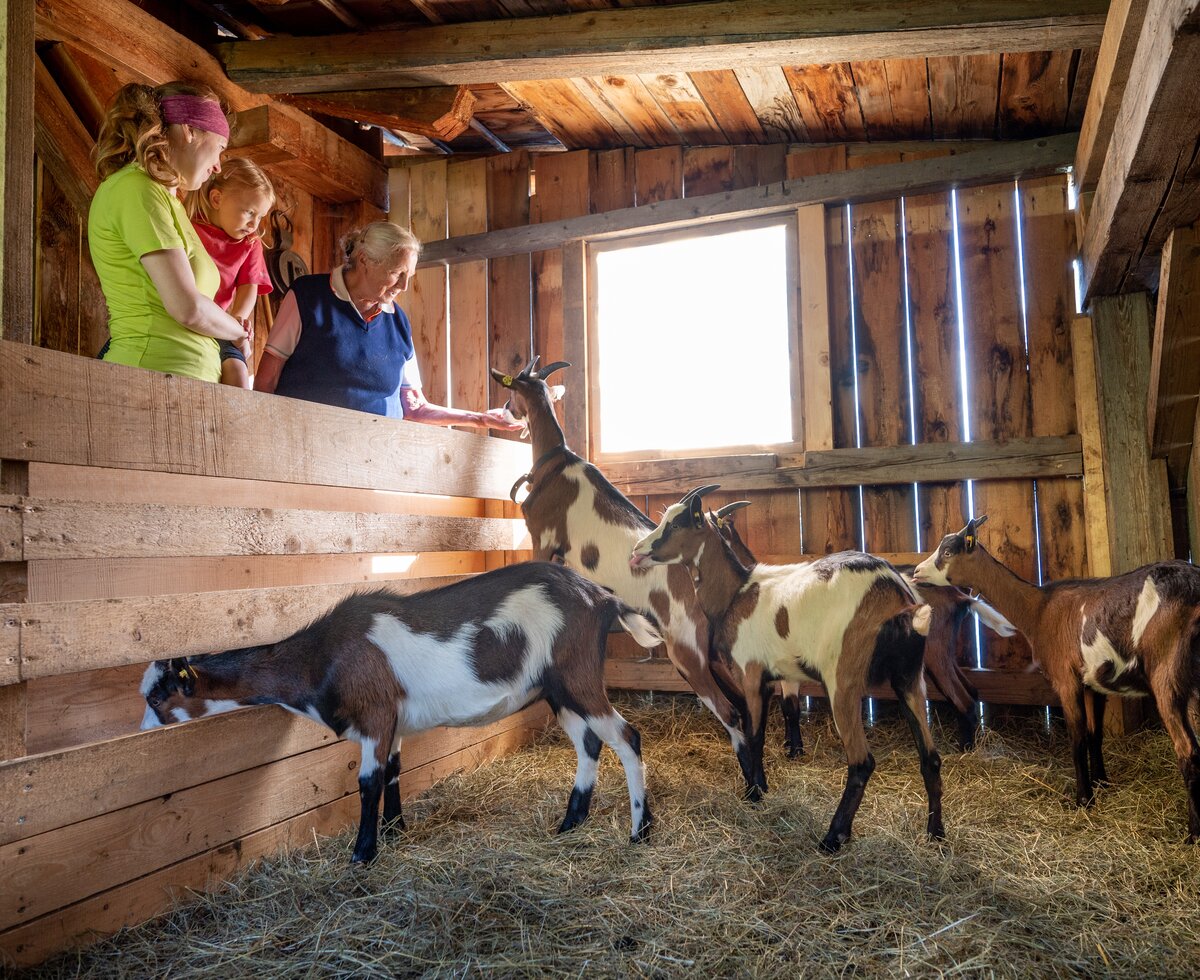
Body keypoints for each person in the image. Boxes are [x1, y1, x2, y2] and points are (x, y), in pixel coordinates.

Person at [254, 221, 522, 430]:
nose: (404, 286)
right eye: (397, 273)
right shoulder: (307, 296)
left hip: (378, 455)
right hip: (307, 447)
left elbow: (414, 408)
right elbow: (266, 381)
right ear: (364, 261)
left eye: (409, 275)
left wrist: (481, 419)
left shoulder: (398, 322)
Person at [89, 81, 247, 383]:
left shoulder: (168, 200)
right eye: (220, 149)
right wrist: (238, 333)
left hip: (180, 383)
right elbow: (187, 307)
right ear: (190, 130)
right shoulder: (136, 189)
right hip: (149, 377)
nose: (217, 167)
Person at [186, 157, 276, 388]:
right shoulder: (189, 228)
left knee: (238, 372)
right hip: (183, 309)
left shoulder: (250, 243)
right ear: (217, 199)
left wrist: (238, 318)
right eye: (249, 212)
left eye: (260, 217)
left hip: (220, 322)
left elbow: (249, 287)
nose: (254, 224)